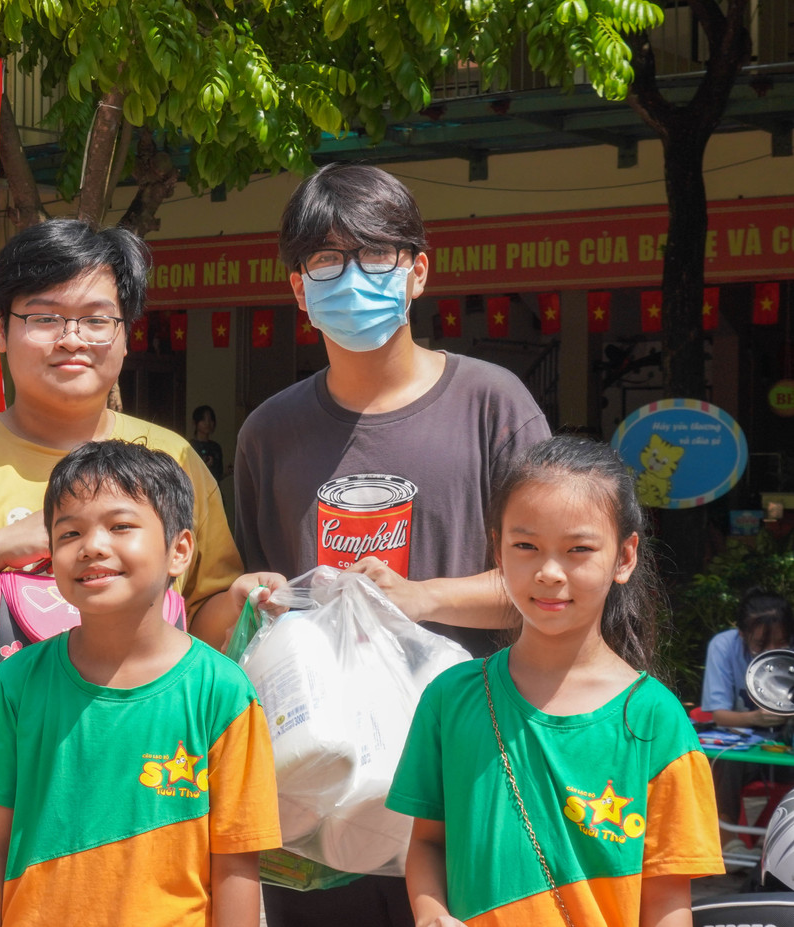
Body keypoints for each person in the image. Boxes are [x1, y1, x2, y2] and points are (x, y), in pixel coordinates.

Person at [233, 162, 552, 926]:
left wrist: (423, 597)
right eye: (327, 260)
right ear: (298, 288)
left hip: (472, 775)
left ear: (418, 272)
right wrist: (255, 599)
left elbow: (554, 583)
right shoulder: (270, 433)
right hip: (324, 794)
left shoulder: (492, 405)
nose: (354, 277)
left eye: (377, 254)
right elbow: (250, 594)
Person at [386, 436, 724, 926]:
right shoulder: (450, 698)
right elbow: (427, 842)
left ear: (624, 557)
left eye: (578, 549)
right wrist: (431, 913)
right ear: (497, 550)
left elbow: (668, 903)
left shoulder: (655, 720)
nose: (548, 572)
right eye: (526, 546)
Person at [0, 440, 281, 927]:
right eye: (69, 533)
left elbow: (235, 864)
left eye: (121, 526)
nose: (92, 546)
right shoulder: (16, 683)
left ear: (179, 551)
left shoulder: (223, 692)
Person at [0, 219, 255, 663]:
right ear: (1, 332)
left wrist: (241, 604)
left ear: (125, 336)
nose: (72, 339)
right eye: (44, 318)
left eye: (96, 320)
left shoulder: (177, 459)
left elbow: (199, 619)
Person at [701, 588, 794, 826]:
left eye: (781, 642)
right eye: (760, 644)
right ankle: (728, 835)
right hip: (746, 749)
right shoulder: (724, 646)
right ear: (742, 634)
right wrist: (756, 718)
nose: (771, 650)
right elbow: (720, 716)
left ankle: (776, 836)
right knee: (724, 761)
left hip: (786, 749)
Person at [191, 405, 223, 479]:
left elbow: (218, 474)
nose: (207, 423)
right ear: (195, 423)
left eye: (210, 419)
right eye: (203, 419)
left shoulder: (216, 447)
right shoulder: (190, 446)